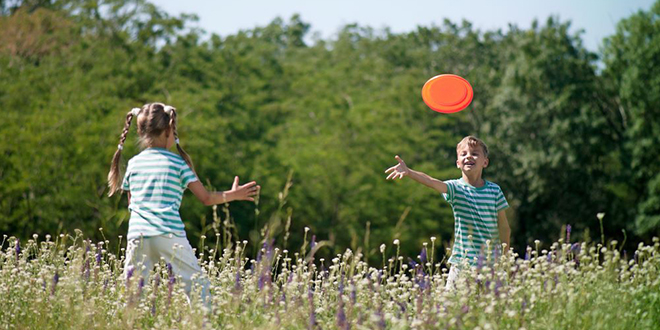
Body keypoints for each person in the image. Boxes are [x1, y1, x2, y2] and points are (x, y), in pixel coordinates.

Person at [107, 102, 260, 306]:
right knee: (198, 290)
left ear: (140, 131)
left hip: (139, 234)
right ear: (169, 129)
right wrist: (233, 194)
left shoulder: (134, 163)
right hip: (169, 234)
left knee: (132, 296)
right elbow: (205, 198)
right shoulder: (178, 163)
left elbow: (131, 203)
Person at [385, 136, 510, 289]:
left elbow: (504, 227)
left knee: (494, 308)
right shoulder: (455, 188)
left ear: (485, 162)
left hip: (491, 263)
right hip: (461, 263)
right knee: (452, 309)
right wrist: (409, 172)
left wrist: (504, 258)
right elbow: (431, 181)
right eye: (463, 154)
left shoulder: (494, 190)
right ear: (458, 163)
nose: (469, 156)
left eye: (475, 153)